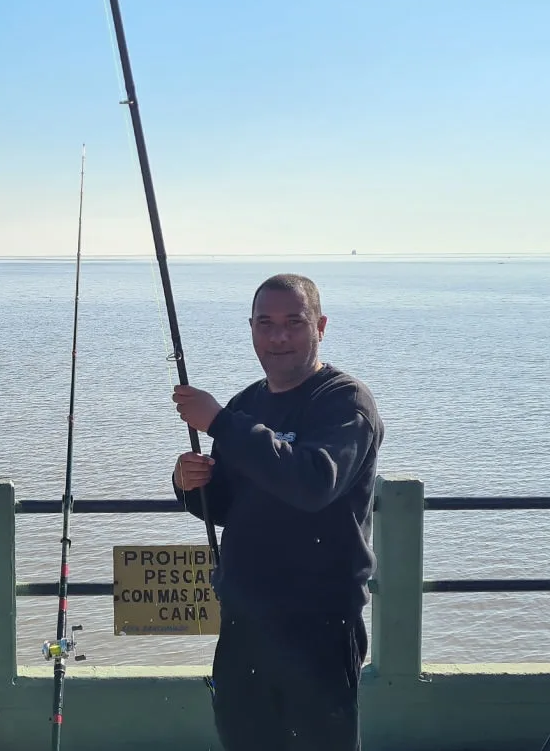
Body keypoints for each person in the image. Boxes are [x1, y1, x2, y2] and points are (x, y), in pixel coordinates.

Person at [169, 273, 384, 751]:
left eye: (294, 322)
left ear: (320, 326)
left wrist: (221, 422)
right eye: (265, 323)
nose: (278, 336)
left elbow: (314, 484)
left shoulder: (344, 402)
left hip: (321, 623)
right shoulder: (249, 403)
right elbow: (223, 504)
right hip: (245, 619)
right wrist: (188, 482)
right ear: (251, 328)